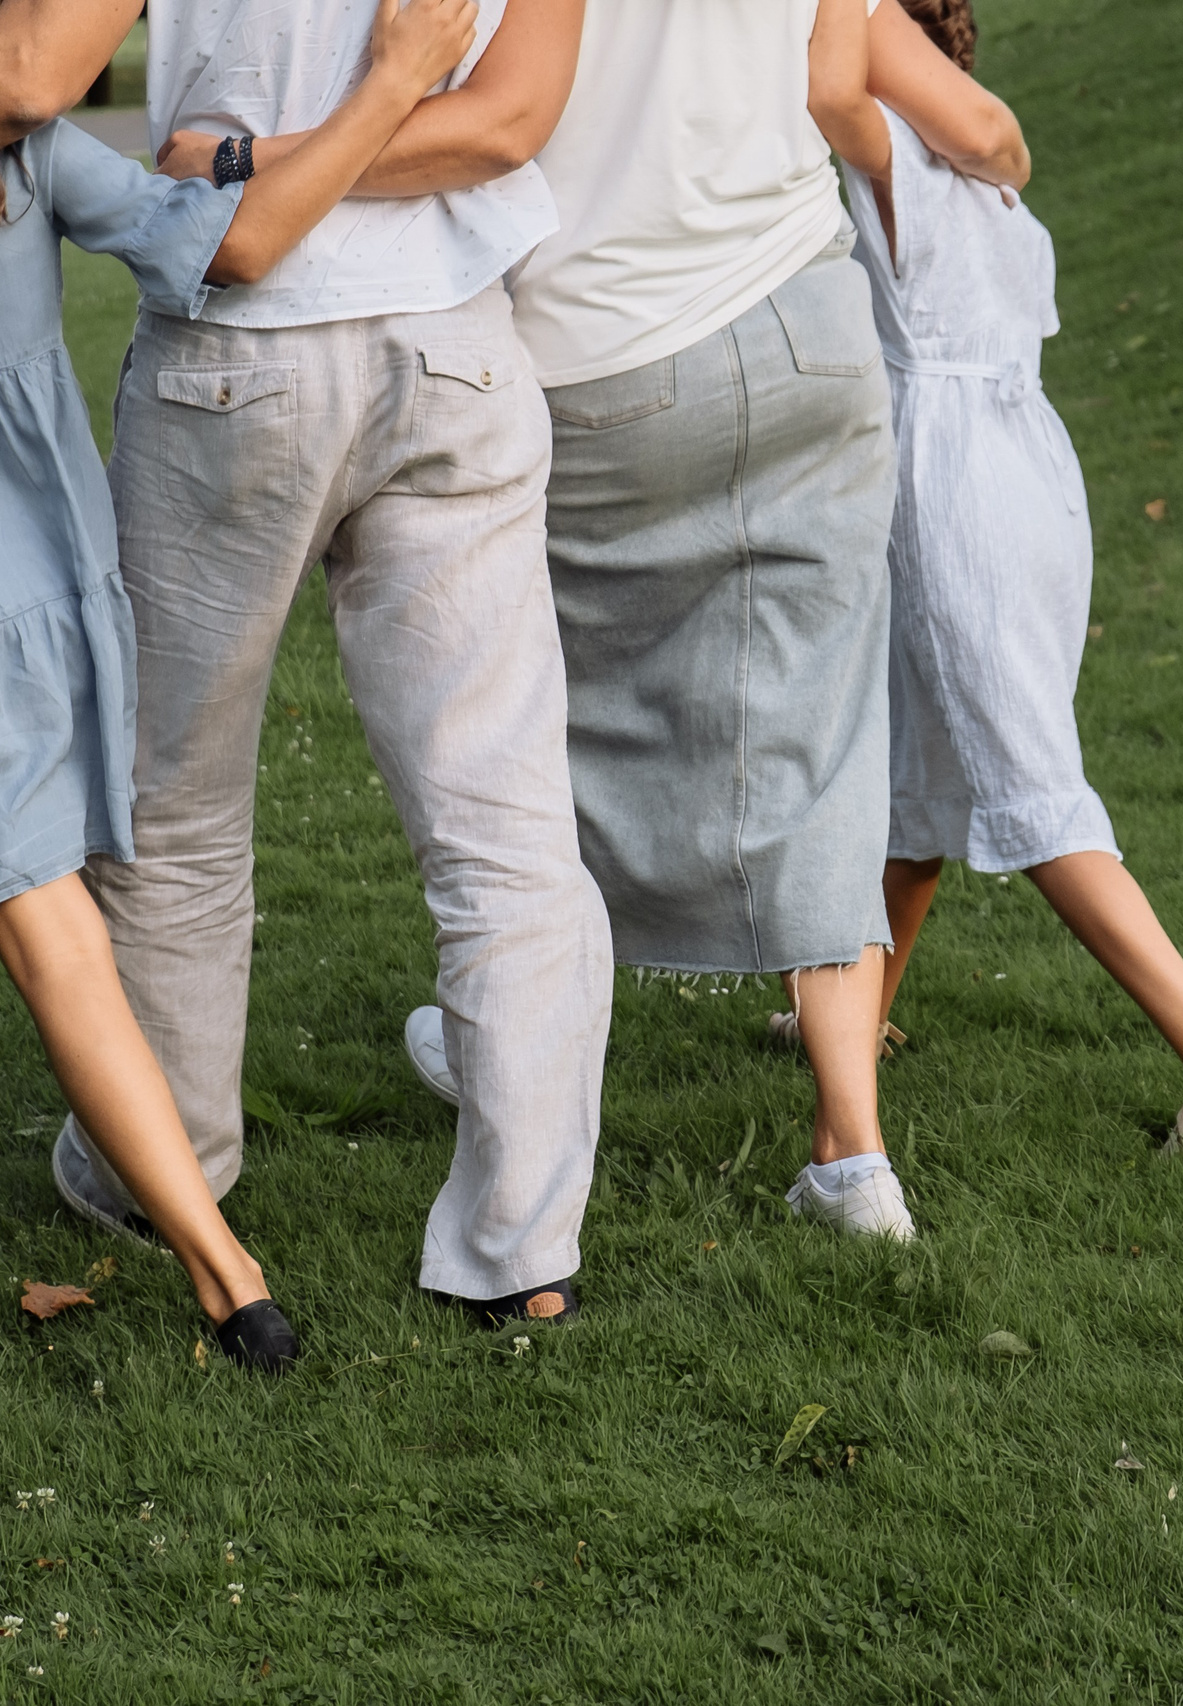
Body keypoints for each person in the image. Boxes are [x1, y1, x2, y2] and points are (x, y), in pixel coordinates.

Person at [0, 0, 615, 1327]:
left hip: (109, 467)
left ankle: (182, 1210)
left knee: (152, 830)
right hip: (411, 371)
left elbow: (17, 78)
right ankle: (518, 1248)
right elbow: (453, 146)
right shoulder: (34, 170)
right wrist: (386, 88)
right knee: (502, 821)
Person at [413, 0, 920, 1240]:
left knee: (526, 728)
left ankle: (504, 1042)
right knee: (832, 734)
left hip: (601, 353)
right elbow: (840, 86)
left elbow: (471, 105)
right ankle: (853, 1156)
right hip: (810, 321)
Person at [847, 0, 1183, 1157]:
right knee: (918, 770)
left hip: (950, 481)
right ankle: (857, 1027)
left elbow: (807, 78)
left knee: (1028, 780)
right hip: (1030, 466)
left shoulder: (889, 145)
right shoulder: (991, 178)